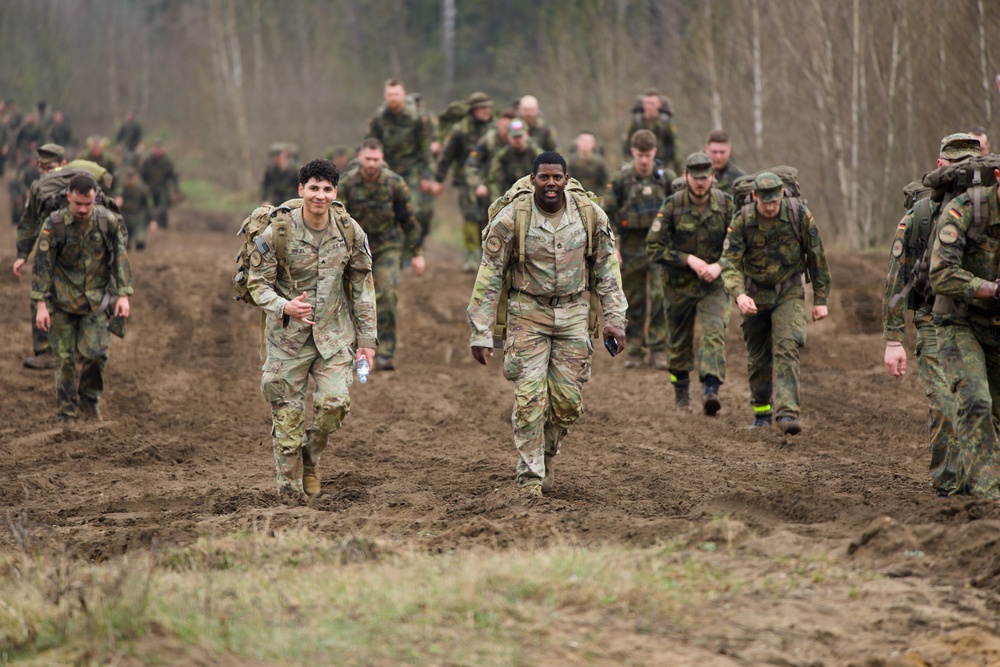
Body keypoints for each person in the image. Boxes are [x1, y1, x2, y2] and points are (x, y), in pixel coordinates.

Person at [468, 151, 627, 496]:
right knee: (530, 400)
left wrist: (614, 319)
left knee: (566, 404)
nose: (551, 184)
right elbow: (489, 275)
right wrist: (481, 332)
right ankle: (530, 480)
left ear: (567, 180)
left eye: (557, 177)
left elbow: (607, 270)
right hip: (528, 315)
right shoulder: (513, 218)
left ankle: (547, 455)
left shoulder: (589, 216)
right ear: (533, 179)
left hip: (573, 316)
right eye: (544, 177)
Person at [248, 158, 377, 498]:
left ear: (335, 192)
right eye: (314, 188)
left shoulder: (350, 231)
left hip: (334, 337)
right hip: (287, 341)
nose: (320, 196)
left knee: (334, 404)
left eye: (327, 189)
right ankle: (288, 497)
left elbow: (363, 287)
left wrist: (367, 341)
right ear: (301, 190)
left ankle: (311, 455)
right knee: (287, 423)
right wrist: (284, 305)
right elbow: (256, 284)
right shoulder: (277, 232)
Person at [883, 133, 981, 496]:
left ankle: (982, 480)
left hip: (982, 323)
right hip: (933, 322)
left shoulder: (991, 213)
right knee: (944, 404)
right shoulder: (920, 216)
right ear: (940, 166)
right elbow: (896, 280)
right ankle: (949, 486)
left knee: (980, 405)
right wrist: (894, 340)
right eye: (954, 166)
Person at [721, 172, 831, 434]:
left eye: (774, 201)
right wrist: (739, 294)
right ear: (755, 197)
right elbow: (730, 263)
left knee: (787, 346)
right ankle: (761, 412)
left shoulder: (799, 215)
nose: (770, 207)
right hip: (753, 294)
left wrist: (821, 299)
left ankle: (787, 413)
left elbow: (817, 256)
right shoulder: (742, 220)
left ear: (782, 194)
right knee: (758, 355)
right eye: (764, 202)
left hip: (788, 292)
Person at [32, 173, 132, 423]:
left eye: (88, 204)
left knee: (97, 354)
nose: (84, 209)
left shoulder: (107, 221)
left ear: (94, 199)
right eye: (78, 204)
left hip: (96, 303)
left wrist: (123, 295)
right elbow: (42, 266)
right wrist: (41, 305)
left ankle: (89, 399)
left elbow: (120, 258)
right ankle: (66, 412)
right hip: (62, 302)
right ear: (69, 197)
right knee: (64, 359)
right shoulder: (53, 225)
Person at [927, 155, 1000, 500]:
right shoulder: (964, 209)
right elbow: (940, 273)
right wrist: (990, 289)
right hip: (960, 321)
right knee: (975, 400)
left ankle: (975, 481)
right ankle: (988, 499)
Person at [647, 152, 733, 413]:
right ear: (685, 177)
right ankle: (682, 393)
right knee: (678, 341)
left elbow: (739, 245)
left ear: (713, 177)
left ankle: (710, 390)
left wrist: (720, 265)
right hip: (679, 284)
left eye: (705, 177)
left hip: (714, 284)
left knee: (715, 332)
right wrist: (688, 260)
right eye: (695, 178)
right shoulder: (673, 206)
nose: (700, 183)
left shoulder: (726, 204)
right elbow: (654, 247)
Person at [337, 138, 423, 371]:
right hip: (355, 247)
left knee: (385, 294)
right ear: (360, 157)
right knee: (351, 297)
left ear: (381, 158)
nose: (372, 164)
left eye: (376, 159)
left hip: (387, 246)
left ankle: (384, 351)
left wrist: (416, 253)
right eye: (368, 159)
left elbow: (408, 220)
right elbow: (335, 219)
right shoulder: (347, 183)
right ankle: (354, 348)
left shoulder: (394, 183)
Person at [602, 129, 674, 370]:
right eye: (640, 154)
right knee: (633, 300)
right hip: (631, 248)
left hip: (658, 247)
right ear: (633, 152)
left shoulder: (665, 178)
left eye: (648, 154)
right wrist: (612, 247)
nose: (644, 160)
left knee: (659, 296)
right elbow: (607, 215)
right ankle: (634, 348)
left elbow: (676, 212)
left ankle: (658, 349)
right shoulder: (621, 179)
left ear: (655, 152)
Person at [13, 144, 68, 369]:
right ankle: (45, 351)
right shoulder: (37, 188)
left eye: (51, 167)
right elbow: (29, 221)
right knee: (40, 296)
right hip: (46, 251)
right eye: (43, 168)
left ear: (63, 165)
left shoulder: (78, 184)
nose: (47, 172)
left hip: (77, 253)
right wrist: (22, 253)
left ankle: (79, 350)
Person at [367, 79, 436, 254]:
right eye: (390, 95)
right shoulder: (378, 119)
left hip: (411, 168)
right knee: (387, 210)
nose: (393, 98)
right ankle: (392, 249)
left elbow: (425, 148)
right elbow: (371, 145)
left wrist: (427, 175)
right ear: (385, 96)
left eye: (396, 94)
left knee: (413, 210)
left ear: (403, 95)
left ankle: (410, 250)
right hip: (386, 169)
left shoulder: (417, 118)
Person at [432, 92, 495, 272]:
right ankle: (470, 255)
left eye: (488, 107)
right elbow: (447, 155)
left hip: (490, 179)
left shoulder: (494, 129)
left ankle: (488, 253)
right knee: (470, 215)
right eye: (482, 108)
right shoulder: (460, 129)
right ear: (473, 110)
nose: (486, 111)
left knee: (488, 216)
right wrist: (439, 179)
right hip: (466, 179)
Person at [621, 89, 678, 173]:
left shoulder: (665, 122)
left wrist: (677, 169)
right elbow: (626, 143)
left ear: (659, 104)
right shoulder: (637, 121)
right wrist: (628, 161)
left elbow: (675, 146)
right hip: (638, 163)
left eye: (652, 103)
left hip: (661, 163)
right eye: (647, 103)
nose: (649, 107)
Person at [486, 119, 542, 201]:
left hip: (533, 197)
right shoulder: (502, 156)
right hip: (509, 197)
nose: (517, 140)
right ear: (508, 137)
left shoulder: (536, 154)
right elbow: (492, 179)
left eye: (520, 136)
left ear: (527, 135)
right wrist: (498, 200)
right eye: (514, 137)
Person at [140, 140, 179, 229]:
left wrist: (176, 190)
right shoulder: (147, 161)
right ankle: (149, 223)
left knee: (163, 208)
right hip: (150, 186)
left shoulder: (167, 161)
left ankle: (162, 225)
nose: (157, 151)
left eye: (158, 149)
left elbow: (173, 175)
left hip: (162, 187)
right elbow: (142, 175)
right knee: (149, 206)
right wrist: (143, 187)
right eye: (155, 148)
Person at [118, 167, 155, 251]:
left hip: (138, 217)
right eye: (128, 178)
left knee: (140, 243)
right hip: (125, 216)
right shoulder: (121, 189)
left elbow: (149, 205)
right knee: (124, 243)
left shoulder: (143, 189)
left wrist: (152, 220)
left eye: (132, 178)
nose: (130, 180)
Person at [704, 129, 746, 195]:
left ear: (730, 150)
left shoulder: (740, 180)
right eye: (714, 152)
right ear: (706, 149)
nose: (718, 156)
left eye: (722, 152)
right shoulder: (692, 176)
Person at [567, 132, 608, 196]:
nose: (585, 143)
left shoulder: (599, 163)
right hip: (573, 197)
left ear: (594, 144)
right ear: (577, 143)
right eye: (583, 140)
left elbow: (604, 184)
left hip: (594, 198)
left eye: (589, 141)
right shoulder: (570, 162)